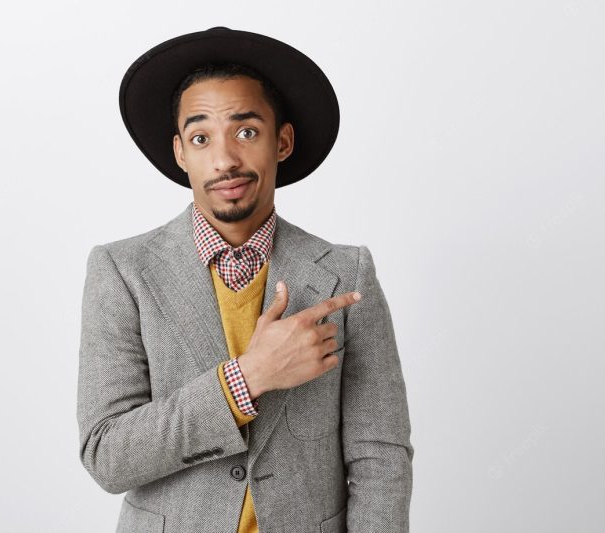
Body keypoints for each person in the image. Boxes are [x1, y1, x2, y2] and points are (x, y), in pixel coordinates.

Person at [76, 27, 414, 533]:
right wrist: (247, 379)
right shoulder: (121, 271)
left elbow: (380, 456)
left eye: (247, 131)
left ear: (283, 141)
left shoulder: (347, 273)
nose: (225, 159)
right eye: (201, 137)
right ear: (179, 153)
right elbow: (107, 454)